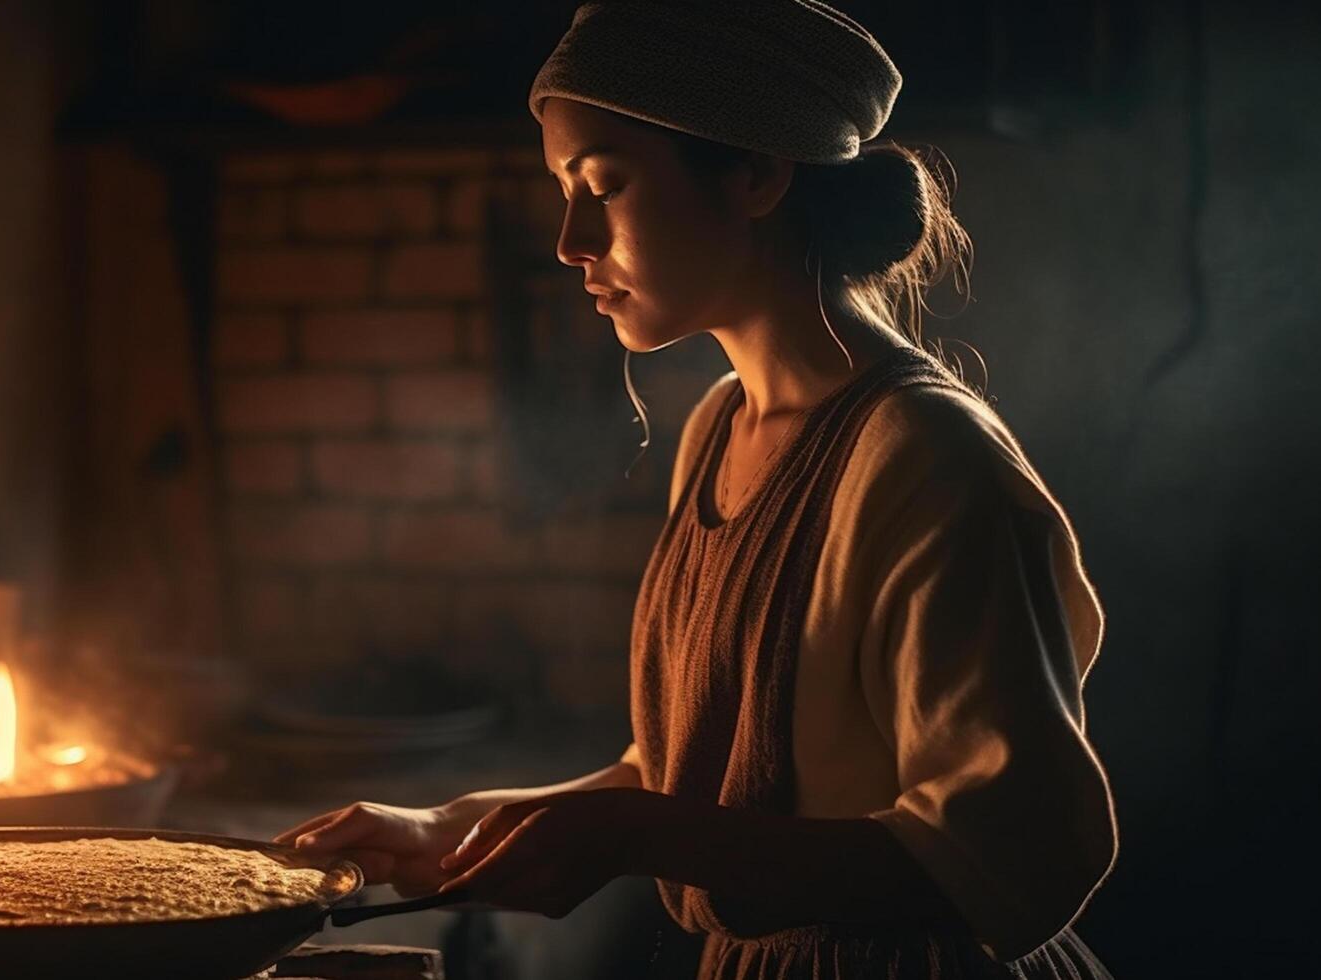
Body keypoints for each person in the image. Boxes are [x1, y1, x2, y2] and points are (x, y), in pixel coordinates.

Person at [276, 2, 1117, 977]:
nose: (569, 239)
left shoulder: (924, 460)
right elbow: (680, 777)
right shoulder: (722, 424)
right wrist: (449, 824)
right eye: (564, 189)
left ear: (754, 173)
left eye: (605, 183)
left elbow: (1010, 854)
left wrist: (640, 836)